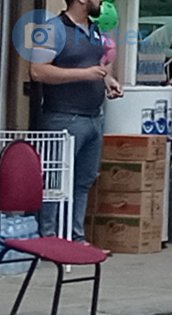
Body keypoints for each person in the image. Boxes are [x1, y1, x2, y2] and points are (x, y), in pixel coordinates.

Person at [26, 0, 124, 240]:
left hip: (93, 116)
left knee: (83, 181)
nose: (101, 1)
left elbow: (99, 66)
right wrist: (85, 74)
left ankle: (75, 237)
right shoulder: (51, 29)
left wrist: (107, 80)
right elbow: (37, 70)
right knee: (55, 181)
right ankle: (48, 237)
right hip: (63, 117)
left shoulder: (96, 29)